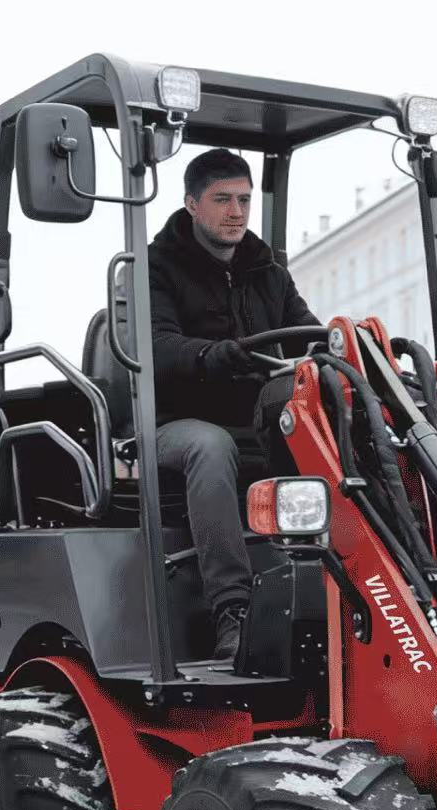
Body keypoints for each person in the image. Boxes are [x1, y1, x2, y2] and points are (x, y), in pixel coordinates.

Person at [148, 147, 318, 660]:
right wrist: (209, 356)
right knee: (210, 446)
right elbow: (154, 348)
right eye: (222, 199)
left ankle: (340, 586)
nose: (236, 212)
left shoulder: (268, 271)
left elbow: (308, 331)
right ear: (192, 204)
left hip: (256, 420)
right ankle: (233, 610)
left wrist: (337, 352)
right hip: (170, 426)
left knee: (333, 427)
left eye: (243, 199)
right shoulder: (155, 267)